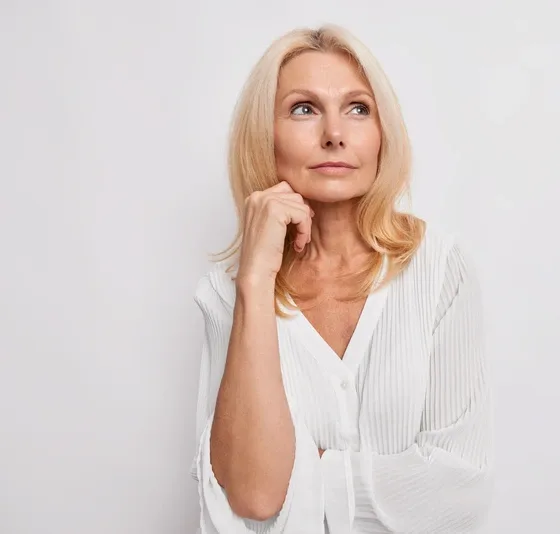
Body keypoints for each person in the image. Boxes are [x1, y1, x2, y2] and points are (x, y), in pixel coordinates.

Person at [190, 24, 493, 534]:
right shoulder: (228, 294)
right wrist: (255, 281)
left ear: (382, 132)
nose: (334, 133)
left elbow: (460, 490)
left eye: (357, 108)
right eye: (303, 109)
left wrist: (306, 474)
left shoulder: (441, 271)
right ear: (264, 136)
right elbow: (253, 495)